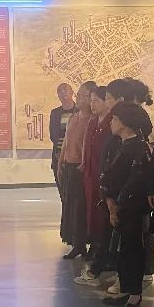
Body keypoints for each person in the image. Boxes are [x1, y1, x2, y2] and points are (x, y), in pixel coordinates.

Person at [99, 100, 154, 307]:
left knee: (133, 250)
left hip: (132, 209)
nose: (111, 122)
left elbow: (136, 181)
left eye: (114, 119)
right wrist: (109, 200)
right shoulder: (122, 145)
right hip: (119, 207)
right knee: (123, 251)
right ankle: (125, 288)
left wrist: (116, 206)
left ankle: (134, 293)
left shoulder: (139, 148)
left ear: (124, 122)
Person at [74, 84, 115, 287]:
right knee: (92, 211)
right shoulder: (93, 122)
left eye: (96, 100)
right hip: (90, 175)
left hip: (104, 175)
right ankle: (96, 245)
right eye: (91, 100)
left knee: (103, 215)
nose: (92, 104)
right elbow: (86, 146)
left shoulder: (111, 123)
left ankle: (104, 253)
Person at [57, 82, 94, 259]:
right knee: (70, 206)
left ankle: (84, 242)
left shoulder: (92, 120)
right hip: (69, 167)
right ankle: (76, 243)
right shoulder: (74, 117)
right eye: (78, 95)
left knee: (81, 208)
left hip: (82, 168)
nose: (78, 98)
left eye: (82, 95)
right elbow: (66, 141)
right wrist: (60, 162)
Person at [49, 83, 76, 185]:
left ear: (72, 92)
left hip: (75, 155)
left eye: (65, 89)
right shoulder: (55, 113)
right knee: (61, 186)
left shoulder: (79, 111)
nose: (63, 92)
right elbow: (53, 134)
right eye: (60, 91)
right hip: (58, 154)